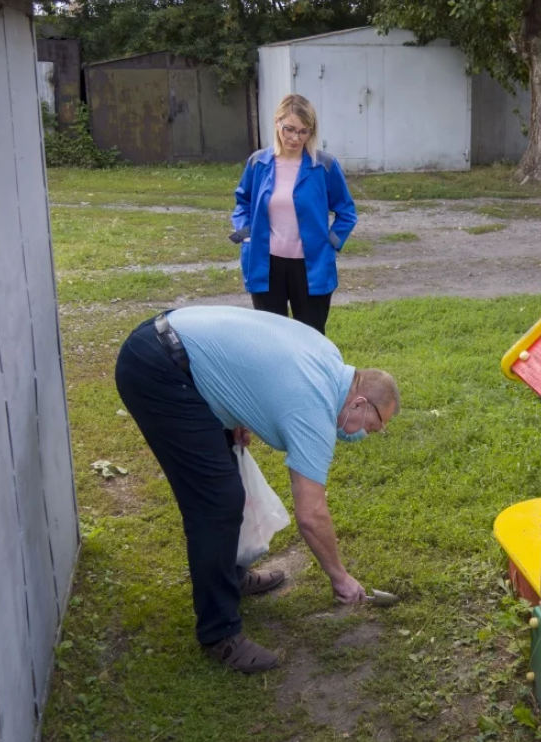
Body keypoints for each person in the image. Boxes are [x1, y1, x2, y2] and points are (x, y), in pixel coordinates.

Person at [114, 306, 400, 673]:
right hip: (158, 370)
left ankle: (230, 575)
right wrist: (340, 577)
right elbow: (312, 515)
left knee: (225, 477)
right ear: (359, 402)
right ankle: (219, 634)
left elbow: (257, 369)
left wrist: (234, 413)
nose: (366, 434)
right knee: (216, 503)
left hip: (169, 339)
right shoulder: (314, 409)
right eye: (374, 425)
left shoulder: (329, 360)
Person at [232, 94, 357, 336]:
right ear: (277, 123)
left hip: (311, 266)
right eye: (289, 129)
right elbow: (242, 202)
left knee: (310, 338)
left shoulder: (325, 166)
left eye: (303, 131)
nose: (294, 138)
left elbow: (347, 212)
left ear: (312, 132)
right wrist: (246, 234)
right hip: (266, 265)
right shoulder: (258, 163)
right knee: (271, 337)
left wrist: (331, 242)